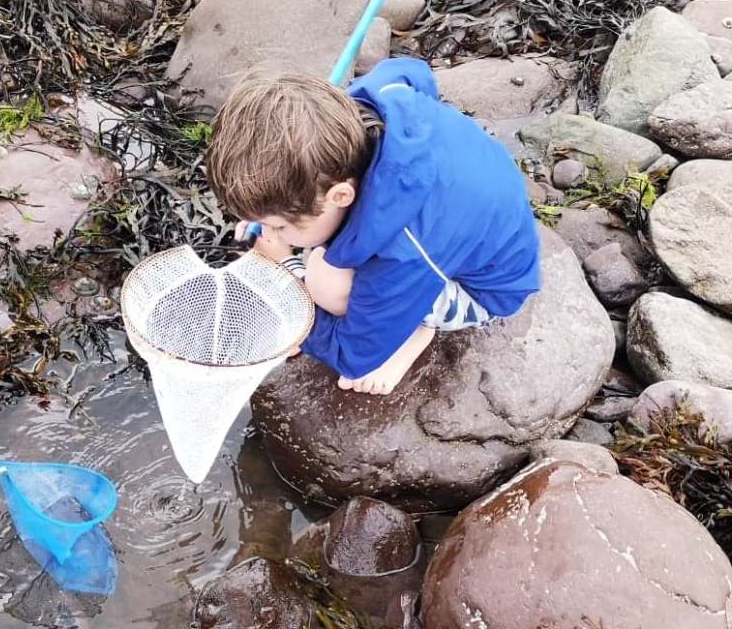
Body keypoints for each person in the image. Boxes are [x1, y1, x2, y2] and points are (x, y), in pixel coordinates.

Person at [204, 58, 541, 395]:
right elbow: (413, 71)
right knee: (324, 255)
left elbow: (352, 355)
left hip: (481, 291)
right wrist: (263, 203)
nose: (269, 234)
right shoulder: (374, 98)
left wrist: (287, 279)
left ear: (340, 195)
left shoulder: (406, 250)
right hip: (460, 217)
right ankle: (398, 313)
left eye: (276, 226)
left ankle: (411, 329)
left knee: (324, 280)